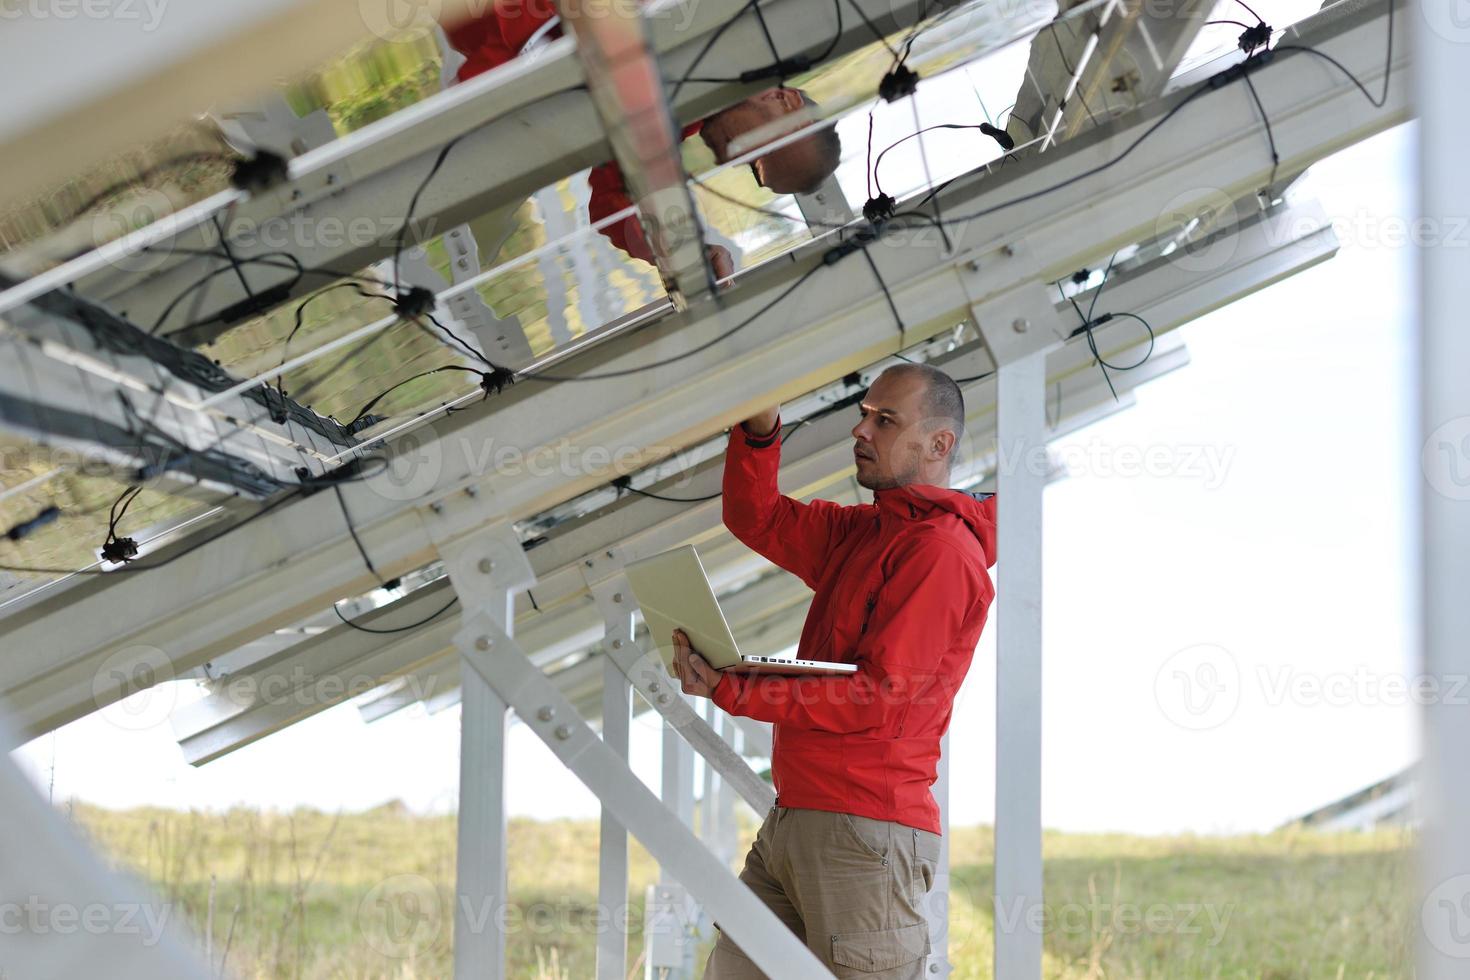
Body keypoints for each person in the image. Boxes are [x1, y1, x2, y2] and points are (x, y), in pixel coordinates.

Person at [672, 362, 998, 979]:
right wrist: (761, 430)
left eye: (884, 420)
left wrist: (736, 687)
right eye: (865, 413)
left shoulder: (939, 554)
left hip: (864, 836)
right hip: (796, 818)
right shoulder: (866, 532)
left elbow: (880, 697)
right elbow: (758, 517)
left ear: (939, 444)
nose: (861, 430)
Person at [444, 3, 842, 276]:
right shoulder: (727, 19)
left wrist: (680, 253)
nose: (729, 162)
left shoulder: (663, 129)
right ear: (783, 99)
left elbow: (613, 203)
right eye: (756, 157)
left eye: (748, 170)